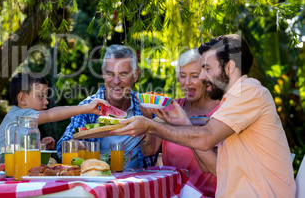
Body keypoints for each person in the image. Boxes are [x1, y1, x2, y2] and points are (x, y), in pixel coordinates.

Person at [112, 34, 296, 197]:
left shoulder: (249, 91)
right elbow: (212, 167)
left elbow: (205, 138)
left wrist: (150, 126)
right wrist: (184, 121)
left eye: (207, 69)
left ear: (230, 67)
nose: (201, 77)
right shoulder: (231, 101)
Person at [0, 72, 109, 170]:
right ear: (22, 99)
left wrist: (39, 146)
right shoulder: (20, 114)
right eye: (41, 96)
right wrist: (87, 108)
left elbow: (20, 155)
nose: (46, 101)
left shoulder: (26, 124)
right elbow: (49, 115)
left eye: (46, 96)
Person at [57, 44, 157, 168]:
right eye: (110, 74)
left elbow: (150, 152)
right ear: (103, 73)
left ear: (135, 75)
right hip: (97, 181)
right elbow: (63, 146)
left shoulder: (146, 107)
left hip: (136, 183)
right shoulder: (88, 107)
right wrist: (74, 144)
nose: (116, 81)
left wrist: (146, 120)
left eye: (123, 74)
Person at [140, 49, 219, 197]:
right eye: (183, 76)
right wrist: (147, 120)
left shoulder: (221, 111)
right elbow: (148, 150)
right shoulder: (171, 107)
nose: (187, 83)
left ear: (206, 77)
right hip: (175, 193)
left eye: (194, 76)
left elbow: (219, 167)